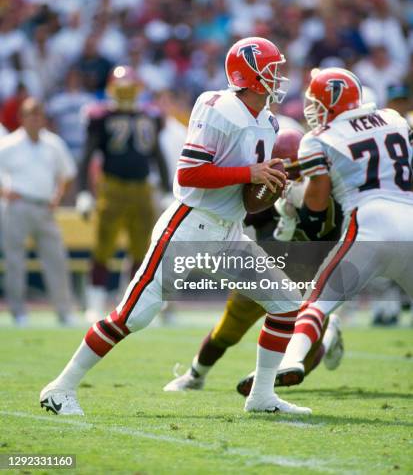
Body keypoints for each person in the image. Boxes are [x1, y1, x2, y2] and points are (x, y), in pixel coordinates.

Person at [40, 36, 311, 416]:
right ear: (247, 74)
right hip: (189, 227)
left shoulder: (268, 122)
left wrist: (270, 187)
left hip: (230, 231)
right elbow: (189, 173)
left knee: (284, 303)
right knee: (132, 316)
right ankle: (60, 387)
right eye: (271, 69)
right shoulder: (217, 106)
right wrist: (250, 171)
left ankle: (262, 395)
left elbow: (249, 200)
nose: (278, 76)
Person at [164, 129, 344, 394]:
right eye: (286, 172)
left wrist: (299, 216)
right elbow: (234, 218)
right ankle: (195, 375)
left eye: (298, 172)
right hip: (264, 274)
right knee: (226, 331)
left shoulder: (330, 197)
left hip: (307, 284)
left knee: (299, 364)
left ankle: (329, 337)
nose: (291, 180)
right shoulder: (263, 189)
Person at [275, 67, 413, 391]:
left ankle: (292, 359)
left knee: (318, 302)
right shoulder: (394, 118)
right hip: (409, 219)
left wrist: (300, 211)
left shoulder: (318, 138)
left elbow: (317, 201)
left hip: (368, 224)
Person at [75, 65, 170, 320]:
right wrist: (84, 192)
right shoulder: (101, 116)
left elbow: (157, 154)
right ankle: (95, 302)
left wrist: (166, 189)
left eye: (130, 89)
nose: (127, 95)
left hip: (142, 189)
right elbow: (86, 156)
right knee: (103, 245)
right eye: (122, 89)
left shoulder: (150, 116)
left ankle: (132, 302)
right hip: (112, 187)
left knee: (143, 249)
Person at [0, 97, 77, 326]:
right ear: (22, 118)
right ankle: (18, 312)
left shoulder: (53, 144)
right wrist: (4, 192)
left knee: (56, 260)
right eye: (30, 114)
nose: (35, 118)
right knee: (15, 262)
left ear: (43, 118)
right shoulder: (9, 144)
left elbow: (66, 173)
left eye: (38, 114)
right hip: (18, 206)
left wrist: (58, 195)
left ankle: (64, 311)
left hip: (45, 207)